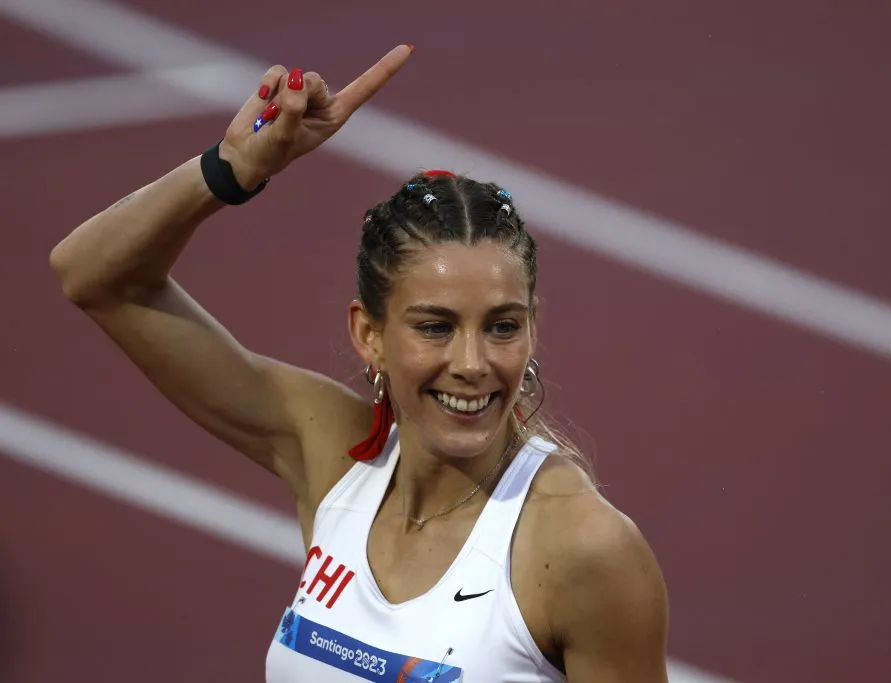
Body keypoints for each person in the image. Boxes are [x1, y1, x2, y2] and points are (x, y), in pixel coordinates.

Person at [49, 45, 670, 682]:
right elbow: (96, 278)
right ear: (368, 333)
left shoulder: (581, 549)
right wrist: (231, 169)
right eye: (435, 326)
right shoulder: (335, 456)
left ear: (533, 327)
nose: (472, 363)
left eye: (502, 327)